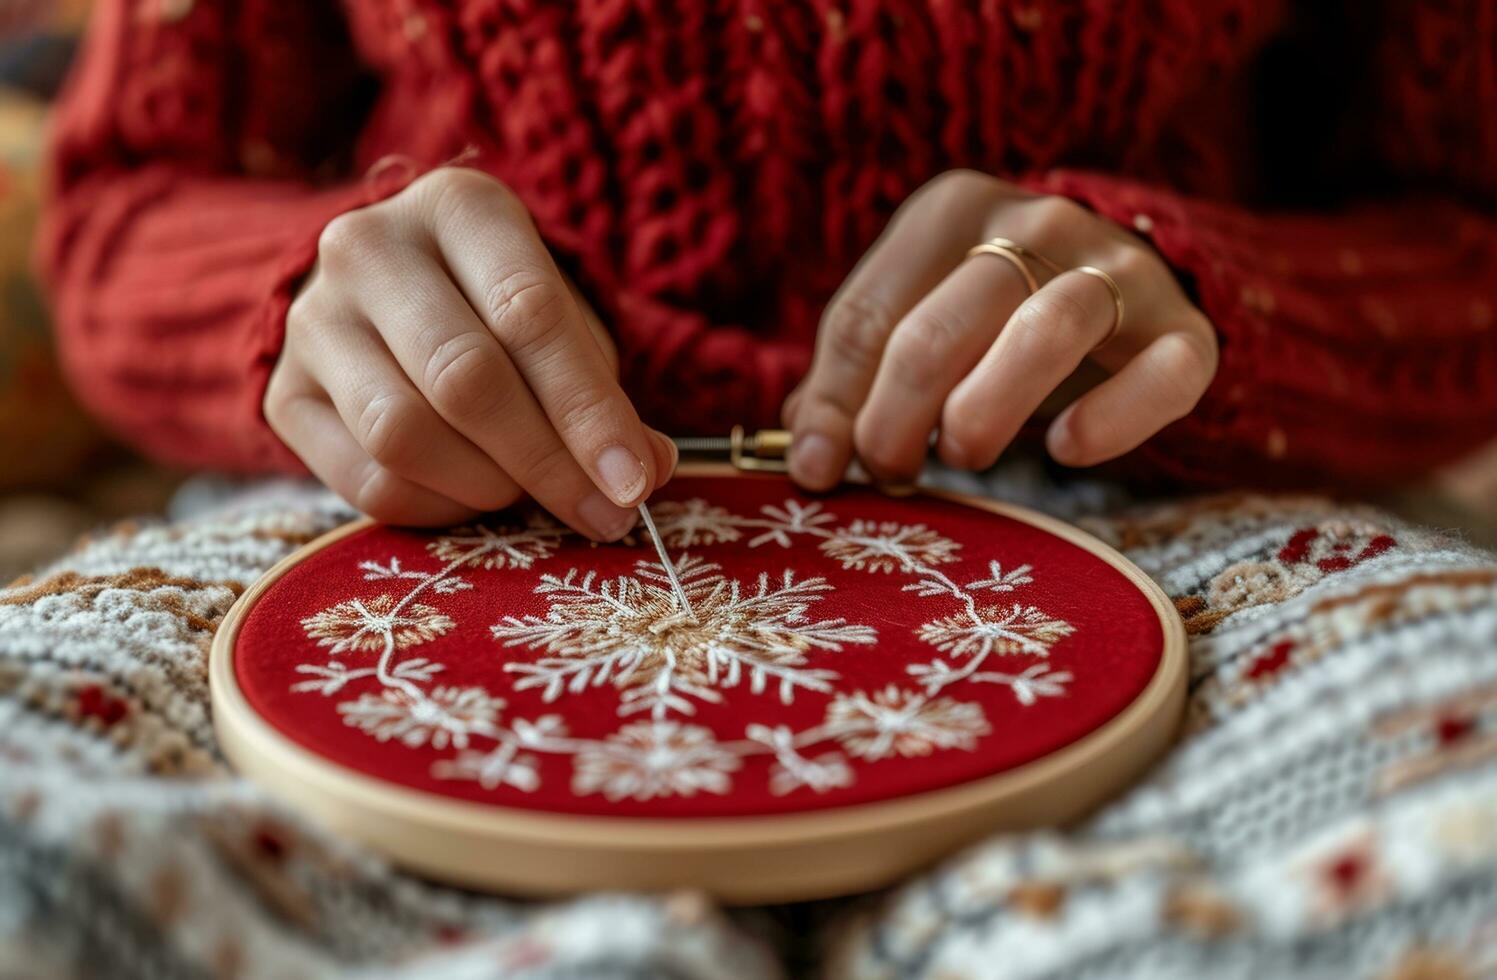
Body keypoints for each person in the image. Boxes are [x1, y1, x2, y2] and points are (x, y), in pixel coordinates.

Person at [39, 1, 1497, 540]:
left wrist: (1220, 307)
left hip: (1164, 523)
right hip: (438, 527)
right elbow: (119, 212)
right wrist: (308, 310)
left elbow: (1465, 234)